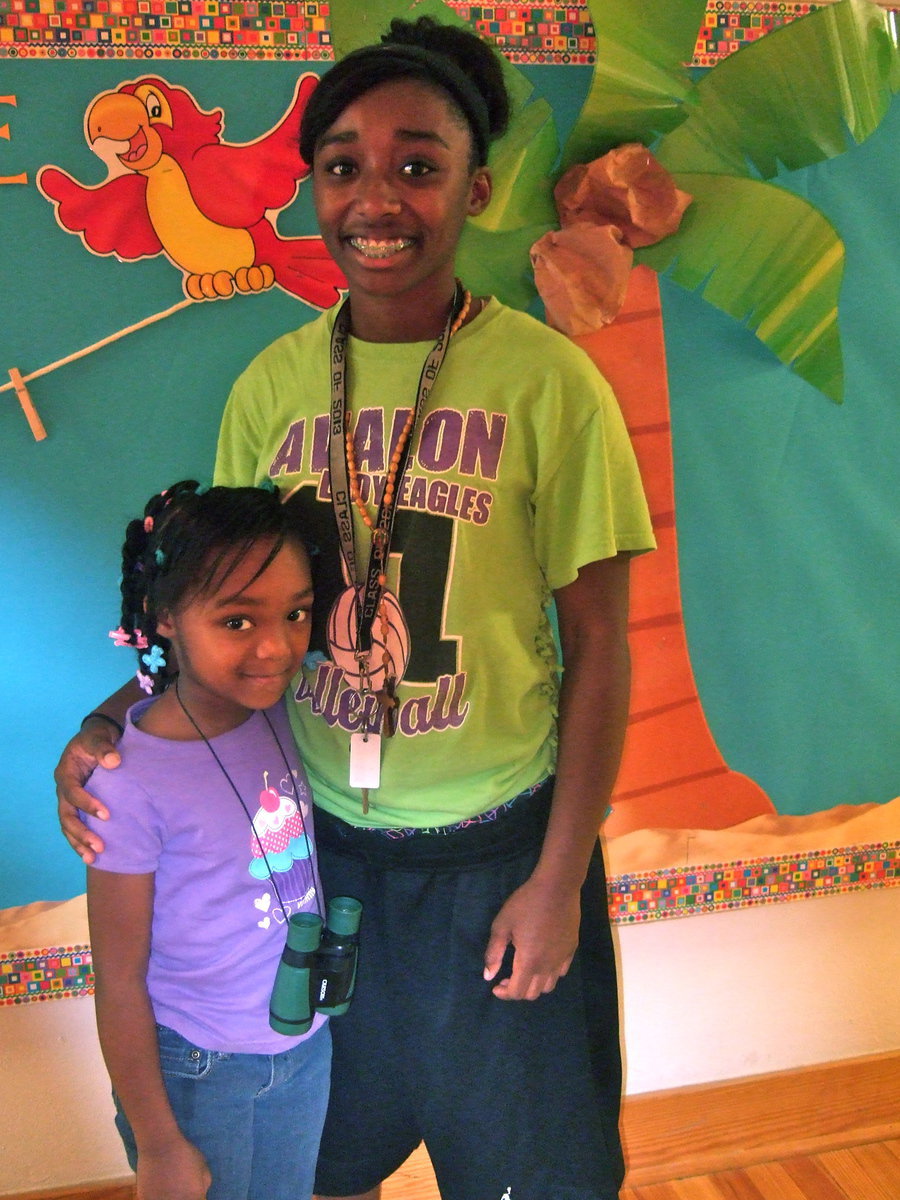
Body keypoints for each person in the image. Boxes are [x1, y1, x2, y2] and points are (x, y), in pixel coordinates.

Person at [57, 17, 656, 1200]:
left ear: (475, 189)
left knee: (535, 1171)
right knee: (317, 1161)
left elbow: (598, 644)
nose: (378, 197)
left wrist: (556, 875)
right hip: (317, 859)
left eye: (418, 165)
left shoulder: (550, 384)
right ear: (312, 189)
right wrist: (110, 720)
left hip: (500, 853)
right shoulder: (271, 387)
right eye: (343, 166)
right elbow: (220, 622)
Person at [82, 480, 331, 1200]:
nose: (277, 647)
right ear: (164, 618)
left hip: (304, 1046)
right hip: (198, 1072)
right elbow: (119, 978)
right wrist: (159, 1143)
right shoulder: (127, 784)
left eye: (296, 612)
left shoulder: (284, 711)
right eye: (236, 622)